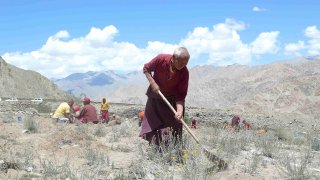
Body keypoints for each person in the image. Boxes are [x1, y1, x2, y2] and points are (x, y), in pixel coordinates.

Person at [139, 47, 190, 146]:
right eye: (181, 63)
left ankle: (174, 149)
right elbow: (146, 68)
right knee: (153, 124)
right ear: (174, 58)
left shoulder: (184, 72)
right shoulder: (160, 59)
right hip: (155, 98)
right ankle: (156, 147)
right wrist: (152, 82)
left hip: (171, 100)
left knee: (176, 124)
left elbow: (181, 95)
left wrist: (179, 111)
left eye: (186, 63)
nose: (183, 65)